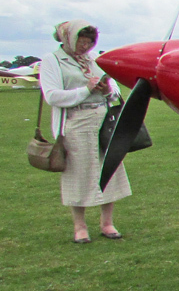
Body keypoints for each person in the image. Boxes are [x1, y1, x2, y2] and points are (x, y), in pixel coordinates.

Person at [40, 20, 131, 243]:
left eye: (90, 42)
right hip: (75, 122)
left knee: (108, 169)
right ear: (68, 38)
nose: (85, 46)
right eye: (82, 40)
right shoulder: (52, 61)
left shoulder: (94, 61)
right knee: (78, 174)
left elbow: (114, 90)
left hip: (103, 120)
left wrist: (107, 90)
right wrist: (86, 90)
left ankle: (107, 223)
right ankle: (79, 226)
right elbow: (52, 96)